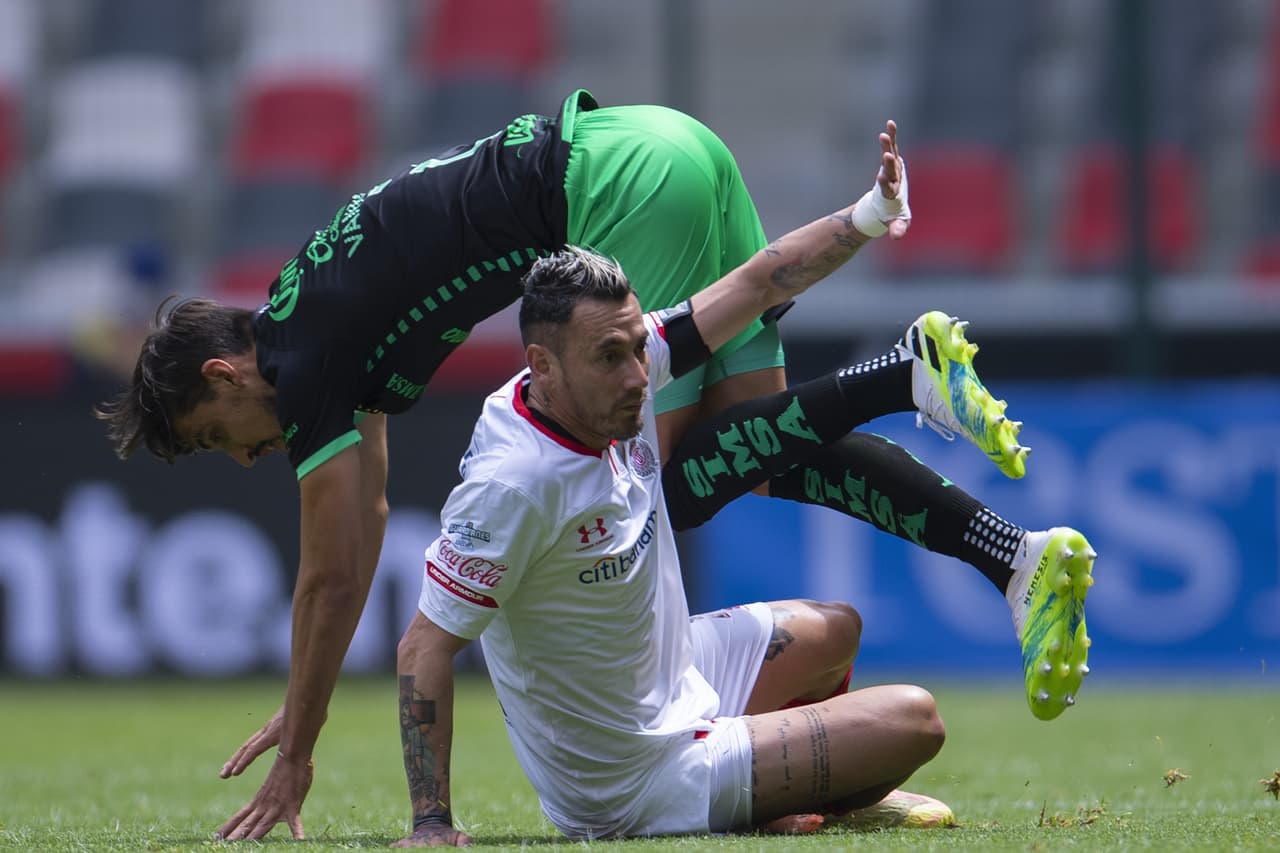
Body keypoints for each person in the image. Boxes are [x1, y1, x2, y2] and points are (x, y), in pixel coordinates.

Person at [92, 92, 1092, 840]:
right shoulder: (312, 315)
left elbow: (331, 573)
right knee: (753, 443)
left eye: (225, 434)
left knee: (656, 477)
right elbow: (363, 520)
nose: (251, 453)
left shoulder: (299, 368)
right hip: (672, 146)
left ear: (225, 374)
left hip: (611, 191)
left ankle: (898, 374)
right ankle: (1010, 554)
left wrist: (300, 742)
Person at [390, 235, 983, 844]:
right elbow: (422, 647)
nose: (639, 378)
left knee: (837, 629)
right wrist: (431, 823)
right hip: (632, 777)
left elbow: (758, 282)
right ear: (542, 365)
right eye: (612, 357)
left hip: (672, 674)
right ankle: (789, 795)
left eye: (640, 350)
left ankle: (789, 791)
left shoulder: (608, 363)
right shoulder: (513, 486)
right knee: (915, 718)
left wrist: (869, 217)